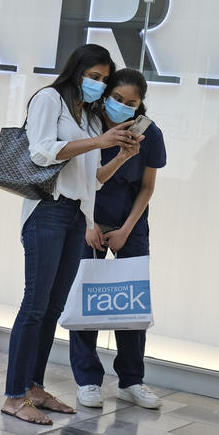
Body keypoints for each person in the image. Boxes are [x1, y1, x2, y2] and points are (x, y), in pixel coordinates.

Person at [1, 44, 144, 426]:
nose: (97, 84)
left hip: (75, 216)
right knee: (34, 304)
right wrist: (101, 142)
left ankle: (33, 386)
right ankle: (13, 395)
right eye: (93, 77)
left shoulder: (92, 118)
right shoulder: (50, 99)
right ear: (77, 70)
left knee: (52, 307)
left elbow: (91, 179)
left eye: (103, 79)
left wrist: (122, 156)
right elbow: (42, 152)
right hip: (46, 211)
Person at [69, 68, 166, 410]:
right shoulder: (90, 127)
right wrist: (89, 224)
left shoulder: (149, 134)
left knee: (130, 303)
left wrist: (126, 230)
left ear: (141, 105)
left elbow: (148, 187)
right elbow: (80, 180)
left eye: (131, 103)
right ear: (106, 95)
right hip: (87, 219)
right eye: (117, 99)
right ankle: (88, 380)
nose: (123, 107)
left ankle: (131, 380)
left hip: (131, 224)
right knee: (87, 302)